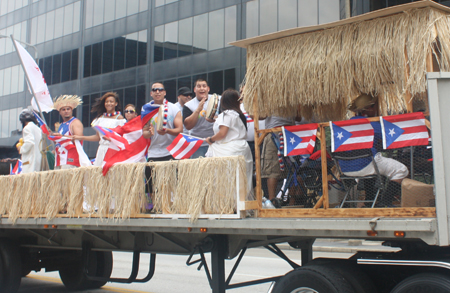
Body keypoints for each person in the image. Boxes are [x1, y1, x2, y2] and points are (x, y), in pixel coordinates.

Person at [340, 93, 409, 205]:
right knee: (401, 170)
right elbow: (390, 139)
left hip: (346, 169)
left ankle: (370, 201)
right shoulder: (373, 123)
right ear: (369, 108)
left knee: (373, 168)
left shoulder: (345, 124)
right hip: (366, 164)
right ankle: (385, 202)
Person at [205, 89, 253, 196]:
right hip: (242, 148)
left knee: (227, 180)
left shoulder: (226, 114)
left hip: (228, 150)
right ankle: (243, 206)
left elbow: (222, 133)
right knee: (243, 179)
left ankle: (230, 206)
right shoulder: (239, 115)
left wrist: (211, 139)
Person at [72, 92, 126, 167]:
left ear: (116, 103)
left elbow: (122, 138)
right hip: (101, 149)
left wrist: (111, 139)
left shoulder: (120, 119)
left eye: (111, 101)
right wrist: (80, 137)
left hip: (113, 149)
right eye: (107, 101)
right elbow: (98, 137)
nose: (108, 103)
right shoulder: (100, 119)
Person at [142, 82, 183, 161]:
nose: (157, 92)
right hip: (153, 152)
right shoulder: (146, 109)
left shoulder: (174, 108)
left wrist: (167, 131)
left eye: (160, 90)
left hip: (171, 151)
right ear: (151, 93)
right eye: (155, 90)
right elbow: (144, 133)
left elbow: (180, 130)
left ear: (164, 93)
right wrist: (150, 133)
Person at [183, 79, 218, 158]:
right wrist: (198, 110)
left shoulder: (218, 99)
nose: (202, 88)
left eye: (204, 86)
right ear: (195, 90)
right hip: (198, 144)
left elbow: (226, 117)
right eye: (199, 86)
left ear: (208, 89)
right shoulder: (188, 105)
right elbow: (188, 126)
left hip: (215, 142)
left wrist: (215, 119)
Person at [53, 95, 84, 170]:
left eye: (68, 109)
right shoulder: (61, 125)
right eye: (63, 109)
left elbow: (79, 137)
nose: (66, 111)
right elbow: (60, 140)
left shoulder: (75, 122)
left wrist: (61, 136)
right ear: (60, 112)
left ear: (71, 110)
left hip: (71, 159)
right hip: (59, 159)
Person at [17, 109, 42, 173]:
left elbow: (29, 142)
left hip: (30, 162)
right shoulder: (38, 129)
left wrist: (21, 148)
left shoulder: (27, 128)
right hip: (38, 161)